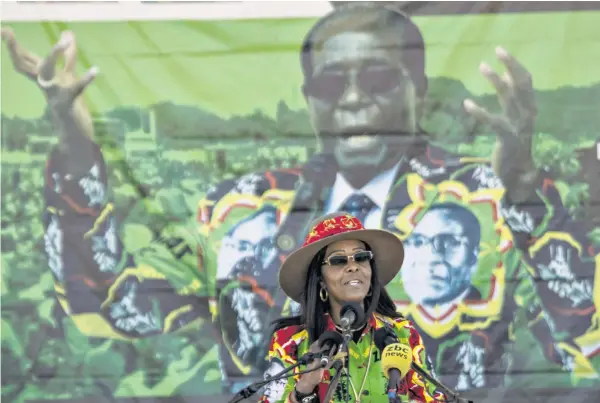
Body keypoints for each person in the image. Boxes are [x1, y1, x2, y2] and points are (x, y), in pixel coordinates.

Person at [2, 1, 598, 396]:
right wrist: (77, 148)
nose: (354, 99)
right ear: (309, 98)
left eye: (380, 78)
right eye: (333, 83)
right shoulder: (239, 208)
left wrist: (521, 185)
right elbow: (110, 305)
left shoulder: (488, 198)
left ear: (418, 87)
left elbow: (584, 328)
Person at [259, 211, 447, 403]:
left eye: (361, 257)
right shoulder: (291, 342)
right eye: (338, 260)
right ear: (321, 280)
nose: (353, 266)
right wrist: (305, 386)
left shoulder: (402, 335)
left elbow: (434, 399)